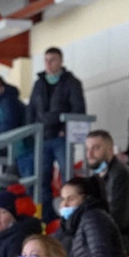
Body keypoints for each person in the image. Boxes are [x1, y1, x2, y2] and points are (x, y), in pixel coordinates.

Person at [25, 47, 87, 222]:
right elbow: (31, 110)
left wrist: (66, 129)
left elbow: (78, 109)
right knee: (42, 179)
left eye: (52, 59)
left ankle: (71, 215)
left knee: (67, 177)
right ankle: (46, 219)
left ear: (61, 61)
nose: (48, 63)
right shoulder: (38, 84)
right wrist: (31, 133)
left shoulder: (72, 82)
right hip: (42, 138)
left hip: (62, 138)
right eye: (46, 60)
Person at [53, 177, 128, 257]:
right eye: (62, 199)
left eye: (71, 199)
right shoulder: (68, 225)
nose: (64, 204)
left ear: (86, 198)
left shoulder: (94, 218)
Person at [84, 130, 129, 257]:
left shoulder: (121, 175)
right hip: (113, 234)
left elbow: (119, 220)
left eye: (96, 148)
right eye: (87, 149)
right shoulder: (99, 175)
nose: (89, 154)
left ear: (110, 150)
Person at [0, 75, 30, 173]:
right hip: (10, 149)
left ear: (1, 89)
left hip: (21, 149)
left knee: (23, 177)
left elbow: (8, 126)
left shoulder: (7, 102)